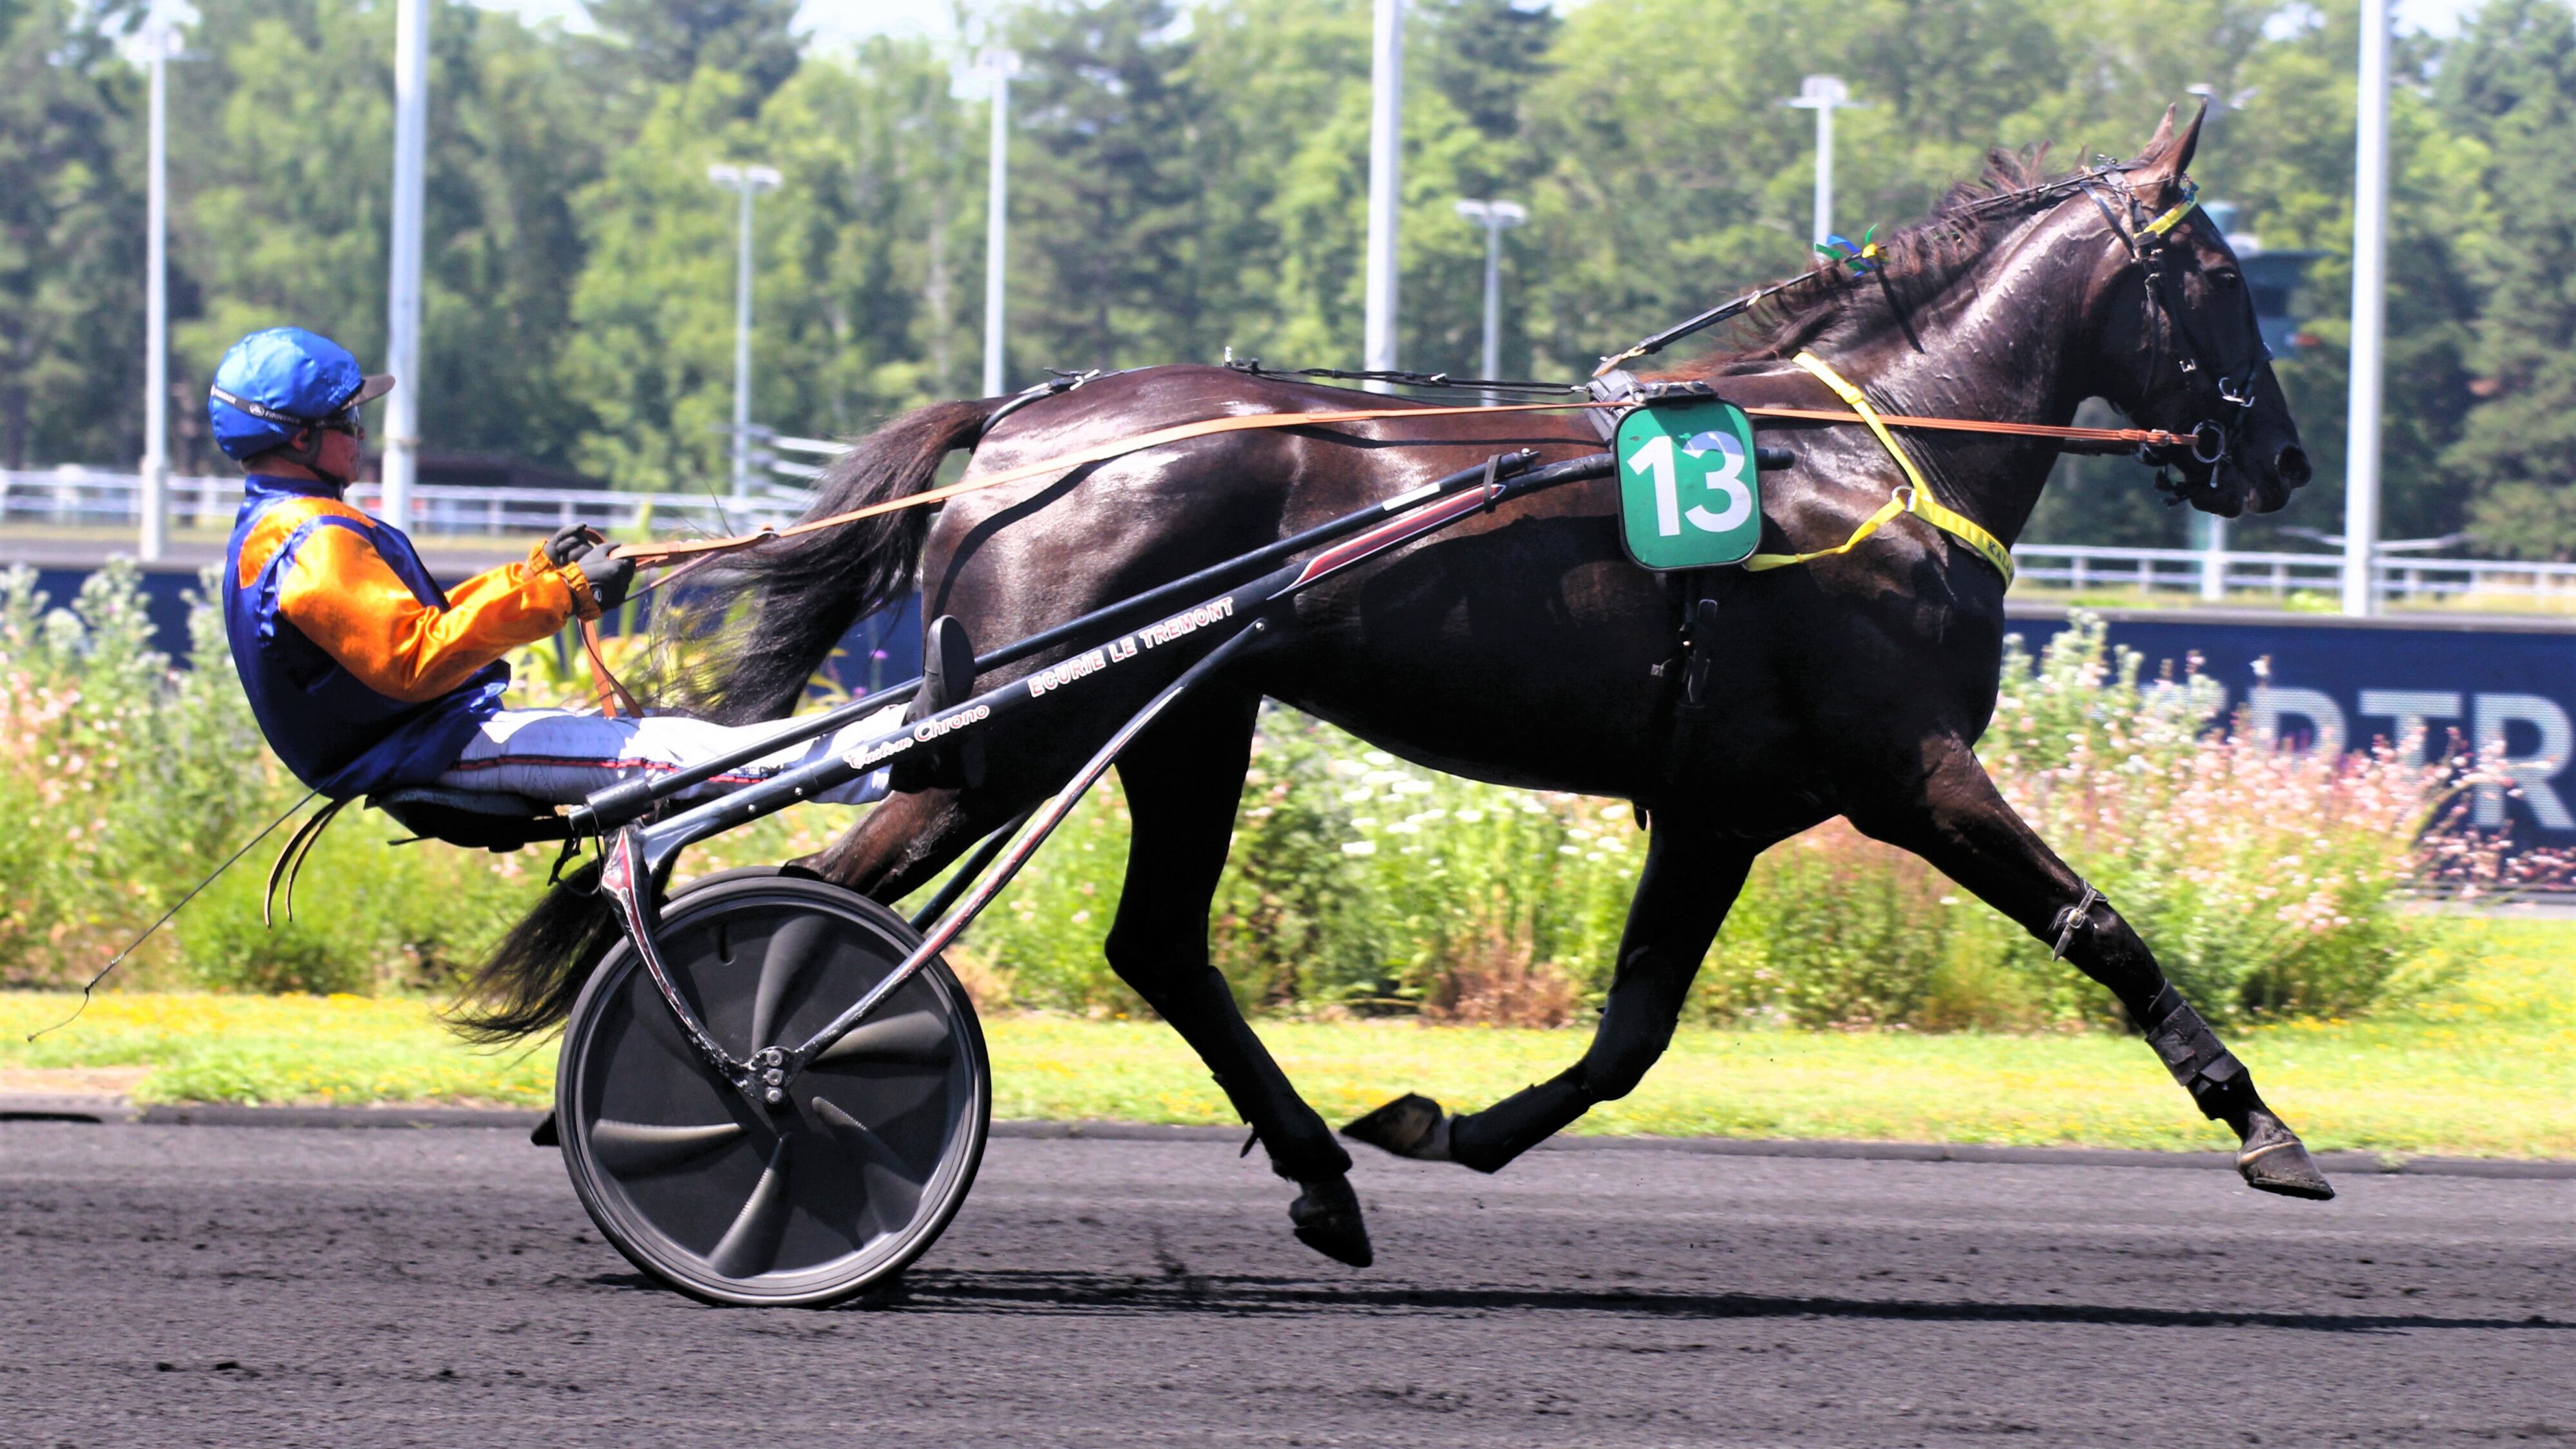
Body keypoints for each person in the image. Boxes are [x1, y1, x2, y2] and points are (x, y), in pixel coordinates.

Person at [213, 327, 894, 810]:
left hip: (437, 735)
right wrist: (560, 595)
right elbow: (414, 658)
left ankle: (889, 741)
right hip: (433, 746)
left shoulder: (290, 525)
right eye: (349, 418)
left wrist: (536, 573)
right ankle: (897, 758)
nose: (361, 432)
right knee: (685, 756)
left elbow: (426, 625)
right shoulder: (309, 539)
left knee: (681, 743)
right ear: (300, 437)